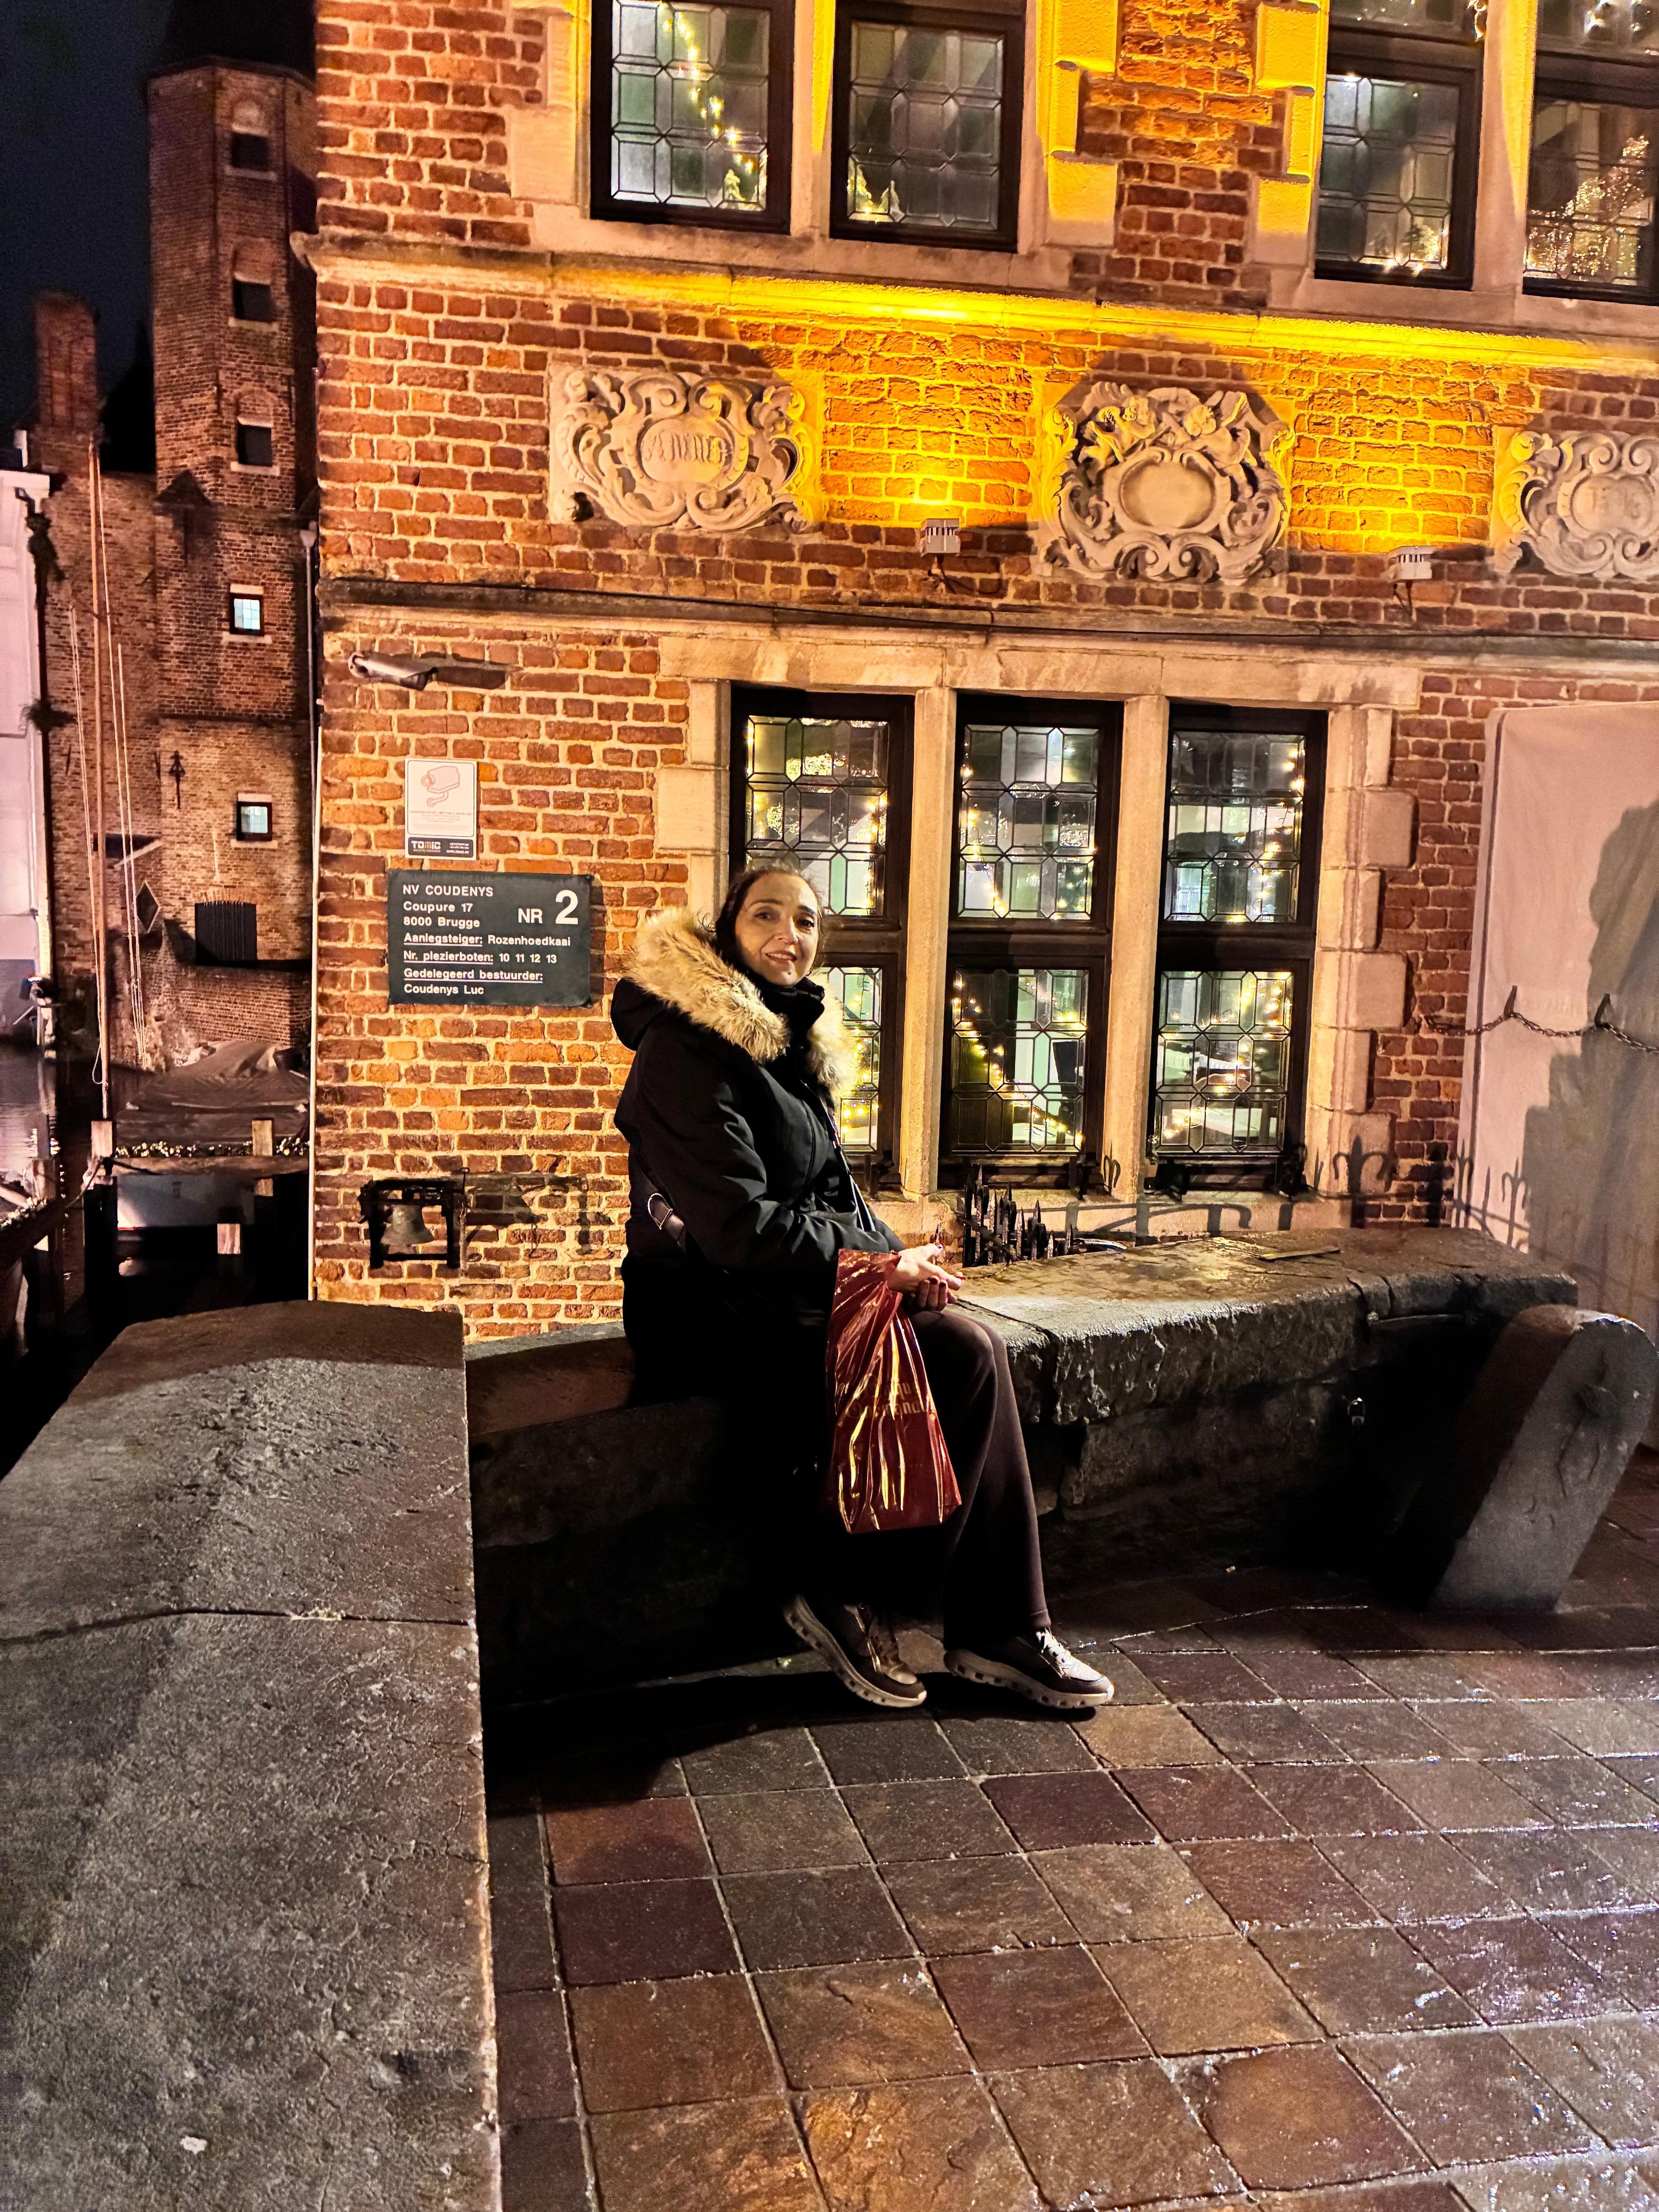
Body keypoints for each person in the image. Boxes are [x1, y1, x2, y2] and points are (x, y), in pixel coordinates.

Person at [610, 866, 1112, 1714]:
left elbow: (831, 1196)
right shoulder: (684, 1049)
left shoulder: (786, 1039)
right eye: (767, 915)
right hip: (705, 1308)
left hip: (786, 1289)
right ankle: (842, 1591)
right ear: (727, 932)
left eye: (806, 921)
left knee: (972, 1348)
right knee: (944, 1359)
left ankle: (1003, 1627)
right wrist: (879, 1271)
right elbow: (737, 1228)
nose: (789, 935)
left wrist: (900, 1259)